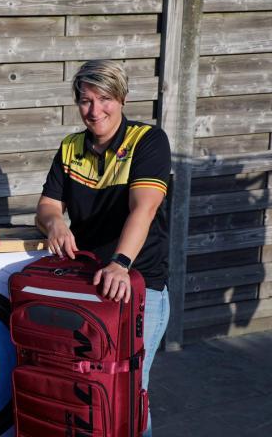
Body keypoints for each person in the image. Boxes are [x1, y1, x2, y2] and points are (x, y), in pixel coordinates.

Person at [36, 60, 170, 437]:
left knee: (128, 390)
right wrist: (55, 222)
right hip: (89, 284)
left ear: (122, 99)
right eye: (86, 100)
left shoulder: (148, 140)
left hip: (138, 284)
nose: (95, 111)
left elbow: (144, 208)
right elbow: (47, 206)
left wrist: (120, 263)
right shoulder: (70, 147)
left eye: (105, 99)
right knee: (85, 386)